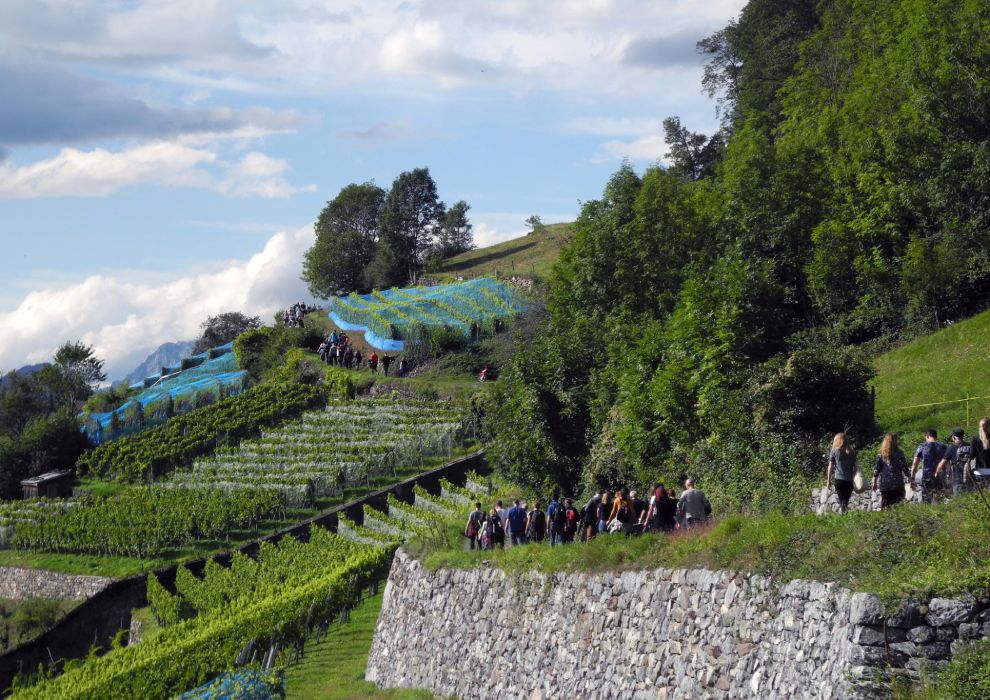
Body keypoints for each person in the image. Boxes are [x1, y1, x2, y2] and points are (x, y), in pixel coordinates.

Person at [872, 433, 911, 509]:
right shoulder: (899, 453)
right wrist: (910, 478)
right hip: (897, 484)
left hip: (885, 485)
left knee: (886, 507)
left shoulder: (881, 454)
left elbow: (877, 469)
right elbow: (905, 468)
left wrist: (874, 482)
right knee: (899, 507)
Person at [912, 429, 947, 503]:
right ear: (936, 436)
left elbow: (915, 464)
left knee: (926, 500)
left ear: (927, 436)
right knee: (940, 499)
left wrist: (912, 478)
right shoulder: (943, 447)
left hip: (927, 477)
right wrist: (948, 476)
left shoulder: (922, 446)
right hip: (940, 476)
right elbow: (948, 463)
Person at [826, 432, 858, 513]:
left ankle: (843, 517)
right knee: (845, 501)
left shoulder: (834, 451)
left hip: (839, 480)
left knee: (842, 501)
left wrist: (829, 480)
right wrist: (853, 477)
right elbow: (856, 467)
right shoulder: (852, 452)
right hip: (849, 481)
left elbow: (830, 467)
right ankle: (844, 516)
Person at [935, 428, 972, 496]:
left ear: (954, 437)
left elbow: (941, 464)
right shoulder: (970, 446)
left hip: (958, 480)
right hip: (971, 480)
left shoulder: (952, 448)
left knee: (959, 503)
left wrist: (937, 475)